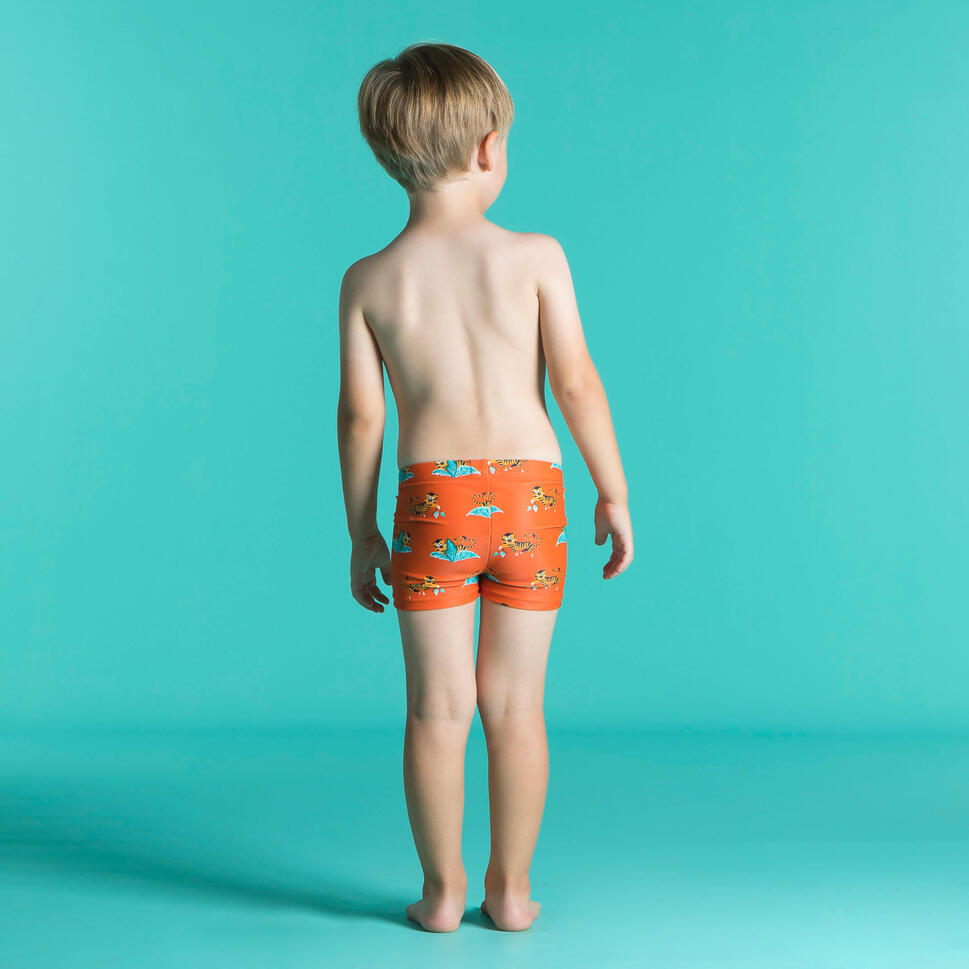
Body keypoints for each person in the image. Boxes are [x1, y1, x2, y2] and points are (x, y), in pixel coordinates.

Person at [337, 42, 633, 933]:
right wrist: (612, 490)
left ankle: (439, 892)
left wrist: (362, 532)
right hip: (531, 500)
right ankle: (509, 890)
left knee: (437, 708)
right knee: (514, 704)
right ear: (488, 148)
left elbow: (360, 419)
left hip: (433, 504)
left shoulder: (369, 281)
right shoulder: (536, 256)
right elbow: (575, 382)